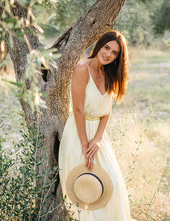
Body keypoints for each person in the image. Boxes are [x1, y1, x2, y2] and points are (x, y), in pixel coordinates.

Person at [58, 30, 132, 220]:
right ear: (99, 45)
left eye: (114, 53)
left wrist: (97, 140)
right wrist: (85, 145)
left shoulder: (109, 73)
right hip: (78, 133)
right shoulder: (82, 68)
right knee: (83, 190)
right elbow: (78, 110)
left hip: (99, 137)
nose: (108, 54)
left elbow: (106, 111)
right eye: (106, 48)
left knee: (112, 184)